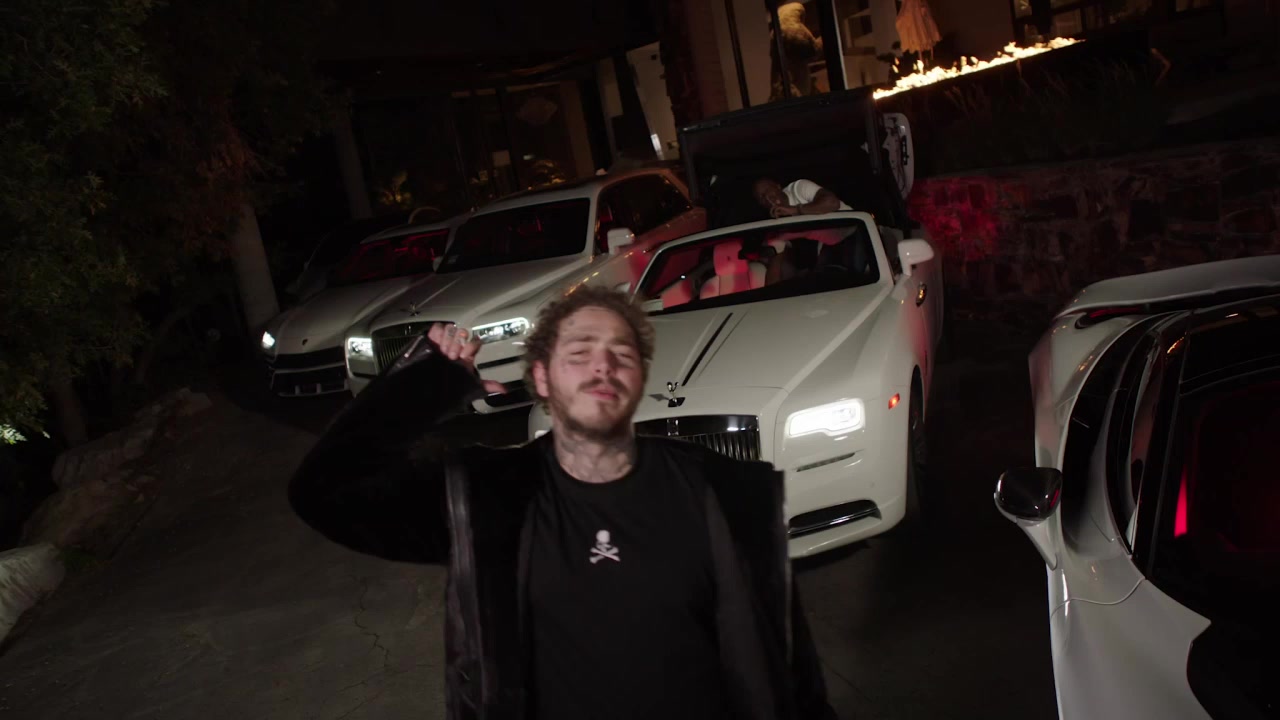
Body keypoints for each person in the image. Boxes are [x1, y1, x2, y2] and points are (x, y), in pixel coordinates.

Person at [288, 285, 837, 720]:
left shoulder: (728, 493)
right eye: (579, 354)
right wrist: (425, 386)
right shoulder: (485, 499)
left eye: (621, 353)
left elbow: (790, 672)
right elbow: (324, 492)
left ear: (640, 377)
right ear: (541, 379)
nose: (603, 366)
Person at [754, 178, 851, 219]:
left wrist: (795, 210)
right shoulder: (775, 218)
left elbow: (833, 203)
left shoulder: (798, 188)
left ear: (778, 187)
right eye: (761, 197)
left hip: (851, 226)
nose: (767, 197)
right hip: (830, 241)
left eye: (768, 189)